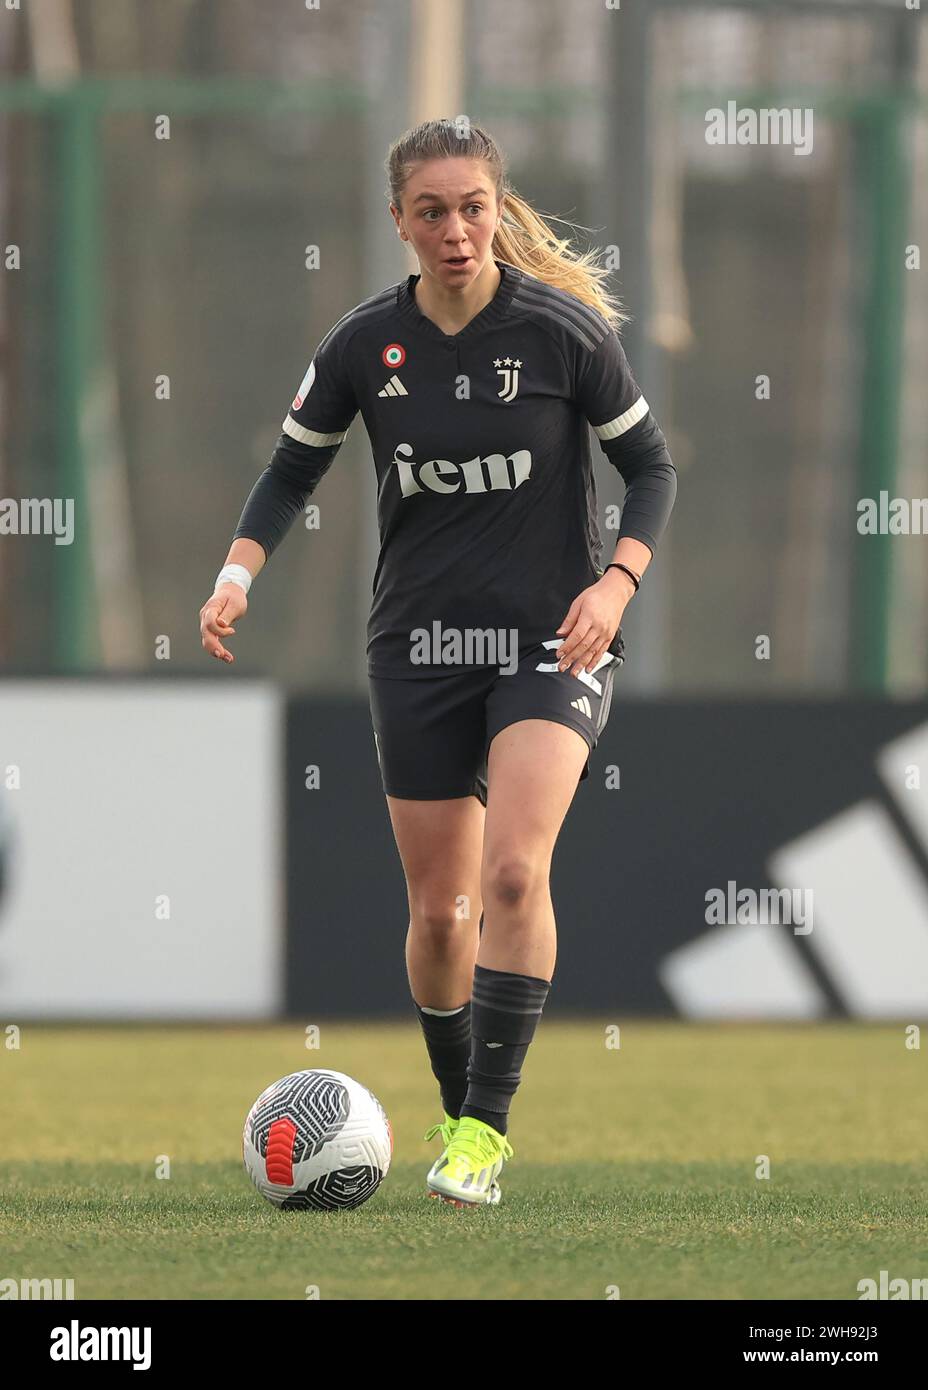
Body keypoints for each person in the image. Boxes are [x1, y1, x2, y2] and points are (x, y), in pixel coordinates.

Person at [199, 117, 677, 1208]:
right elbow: (287, 474)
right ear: (399, 222)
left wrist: (614, 586)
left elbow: (649, 468)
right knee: (439, 917)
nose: (455, 230)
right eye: (432, 211)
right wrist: (237, 574)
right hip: (415, 646)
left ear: (496, 210)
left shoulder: (561, 333)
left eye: (472, 207)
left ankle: (483, 1135)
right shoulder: (367, 344)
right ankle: (459, 1107)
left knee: (513, 871)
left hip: (549, 644)